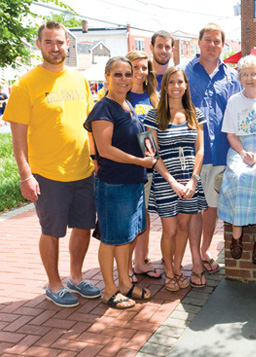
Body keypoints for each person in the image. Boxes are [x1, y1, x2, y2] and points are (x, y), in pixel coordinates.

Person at [3, 21, 100, 308]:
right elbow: (17, 139)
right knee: (52, 231)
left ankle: (76, 277)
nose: (55, 48)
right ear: (39, 44)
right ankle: (54, 284)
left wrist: (94, 158)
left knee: (83, 227)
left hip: (82, 170)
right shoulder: (25, 84)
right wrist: (25, 175)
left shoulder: (79, 80)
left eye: (60, 42)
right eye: (49, 42)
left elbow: (88, 125)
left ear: (67, 45)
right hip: (47, 174)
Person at [84, 56, 155, 309]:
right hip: (113, 184)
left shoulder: (126, 104)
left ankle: (125, 283)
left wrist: (149, 154)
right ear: (107, 76)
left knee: (125, 236)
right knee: (111, 239)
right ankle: (110, 289)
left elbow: (136, 138)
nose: (124, 79)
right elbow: (105, 149)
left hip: (132, 182)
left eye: (128, 73)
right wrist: (140, 161)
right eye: (118, 74)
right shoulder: (104, 107)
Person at [183, 23, 242, 286]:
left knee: (212, 208)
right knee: (193, 208)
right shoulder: (185, 72)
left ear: (223, 44)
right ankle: (195, 258)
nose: (212, 45)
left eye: (217, 41)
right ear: (199, 42)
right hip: (192, 152)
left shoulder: (232, 76)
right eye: (208, 40)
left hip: (221, 152)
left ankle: (204, 250)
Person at [144, 67, 208, 291]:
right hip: (165, 181)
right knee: (169, 230)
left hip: (190, 181)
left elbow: (200, 150)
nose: (176, 86)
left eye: (180, 82)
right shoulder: (152, 115)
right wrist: (172, 181)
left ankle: (179, 269)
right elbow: (150, 152)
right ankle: (169, 272)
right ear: (164, 86)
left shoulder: (195, 112)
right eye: (171, 82)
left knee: (184, 228)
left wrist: (193, 180)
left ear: (186, 85)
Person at [218, 55, 256, 264]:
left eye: (253, 73)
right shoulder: (234, 101)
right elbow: (231, 135)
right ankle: (236, 238)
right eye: (245, 74)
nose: (250, 78)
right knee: (237, 176)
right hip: (240, 149)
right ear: (240, 78)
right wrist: (243, 153)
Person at [125, 50, 161, 281]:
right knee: (129, 216)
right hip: (126, 166)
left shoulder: (155, 98)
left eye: (144, 68)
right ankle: (125, 265)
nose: (139, 72)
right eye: (134, 67)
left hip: (149, 166)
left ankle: (140, 261)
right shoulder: (120, 96)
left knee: (144, 216)